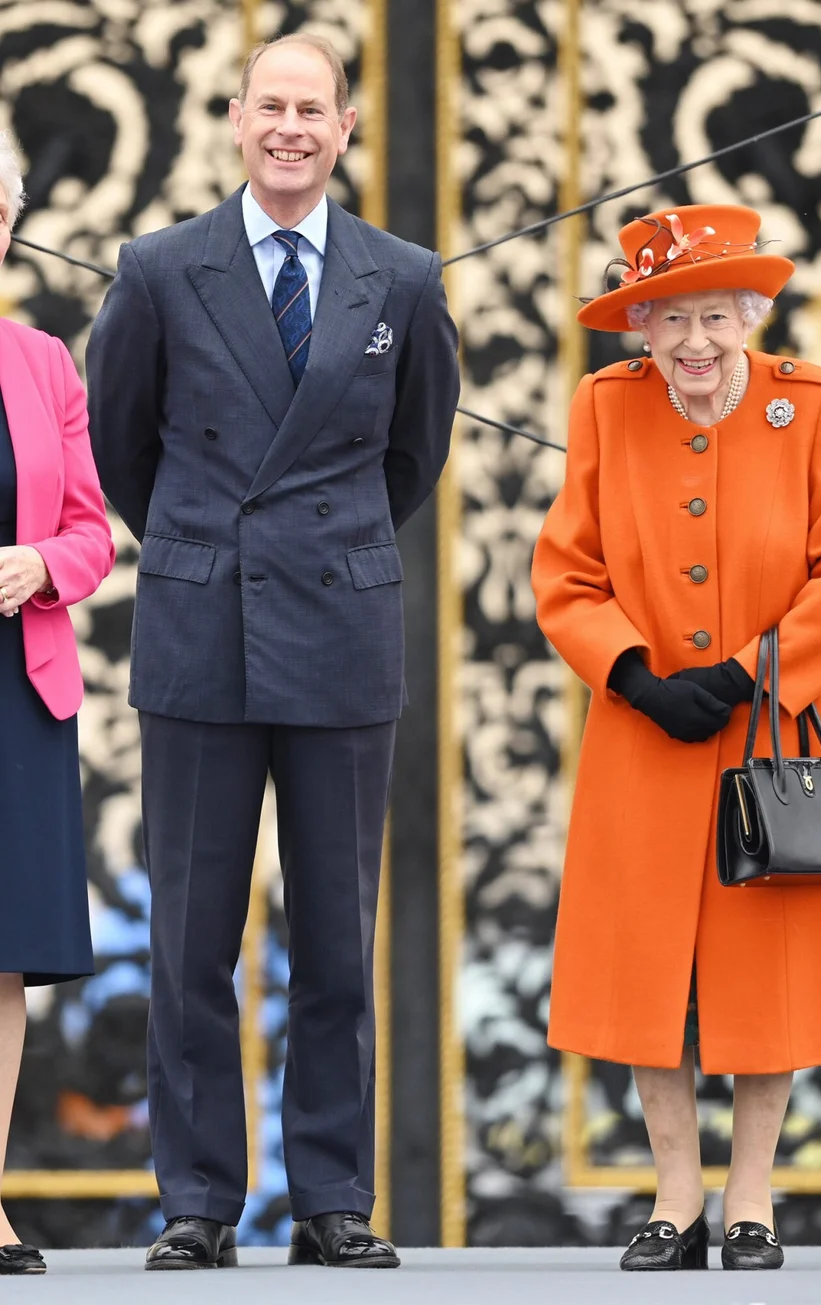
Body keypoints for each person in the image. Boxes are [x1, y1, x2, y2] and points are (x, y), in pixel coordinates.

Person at [86, 33, 459, 1269]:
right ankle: (196, 1203)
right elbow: (123, 446)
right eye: (272, 107)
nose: (292, 128)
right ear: (237, 119)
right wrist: (205, 544)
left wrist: (324, 541)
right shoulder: (158, 268)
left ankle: (331, 1200)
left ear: (345, 129)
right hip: (201, 629)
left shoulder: (402, 278)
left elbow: (414, 456)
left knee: (337, 942)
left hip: (341, 628)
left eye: (314, 110)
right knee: (191, 939)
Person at [531, 205, 821, 1271]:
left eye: (715, 317)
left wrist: (748, 672)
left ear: (750, 317)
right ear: (638, 325)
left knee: (764, 961)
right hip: (645, 731)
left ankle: (751, 1197)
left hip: (773, 724)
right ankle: (675, 1193)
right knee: (646, 967)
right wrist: (633, 673)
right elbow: (567, 571)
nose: (695, 342)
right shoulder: (605, 405)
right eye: (671, 318)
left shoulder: (813, 403)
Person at [0, 129, 115, 1275]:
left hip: (16, 690)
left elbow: (92, 529)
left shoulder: (42, 361)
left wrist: (42, 563)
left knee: (1, 957)